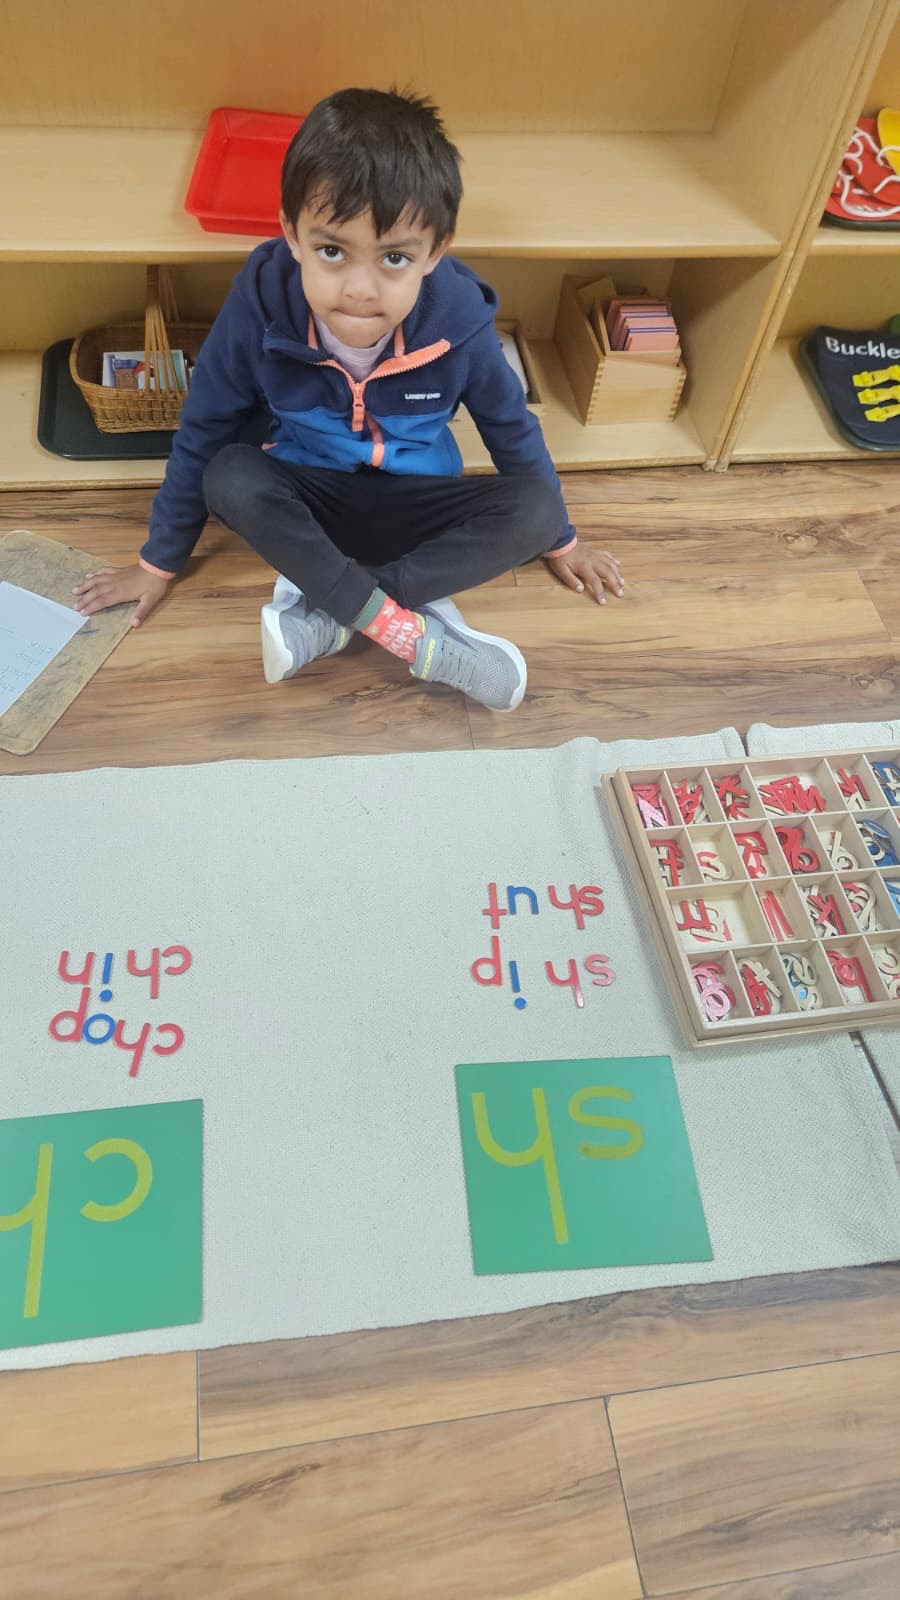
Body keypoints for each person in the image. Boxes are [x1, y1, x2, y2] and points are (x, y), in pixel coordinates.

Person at [74, 87, 623, 712]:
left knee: (537, 510)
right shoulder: (258, 305)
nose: (360, 289)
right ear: (291, 234)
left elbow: (512, 430)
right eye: (332, 251)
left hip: (416, 505)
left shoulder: (461, 323)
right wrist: (157, 563)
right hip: (313, 501)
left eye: (395, 258)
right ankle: (400, 625)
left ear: (435, 252)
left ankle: (338, 617)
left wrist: (563, 542)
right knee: (228, 474)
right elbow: (203, 429)